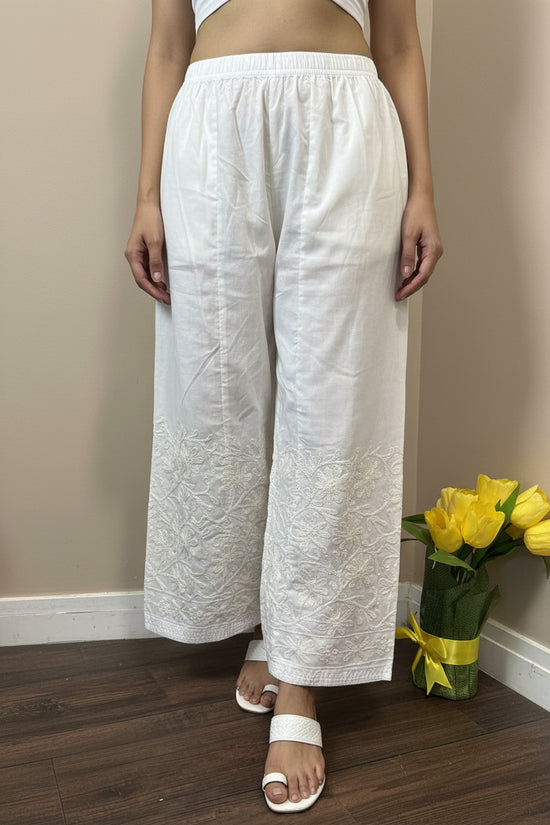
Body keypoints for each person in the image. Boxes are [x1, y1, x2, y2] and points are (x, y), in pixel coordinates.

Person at [125, 0, 443, 814]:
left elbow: (398, 40)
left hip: (346, 119)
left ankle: (300, 684)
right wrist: (146, 195)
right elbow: (167, 47)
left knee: (335, 402)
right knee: (218, 396)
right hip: (211, 121)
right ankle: (269, 624)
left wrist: (424, 189)